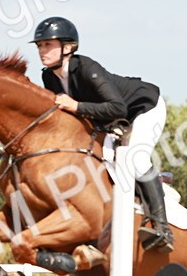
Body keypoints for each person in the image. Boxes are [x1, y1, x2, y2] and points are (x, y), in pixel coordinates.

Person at [31, 16, 173, 252]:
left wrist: (76, 106)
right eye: (39, 46)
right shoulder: (49, 76)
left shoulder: (87, 68)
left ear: (67, 47)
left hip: (144, 108)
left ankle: (162, 228)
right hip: (110, 119)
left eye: (47, 44)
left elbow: (118, 107)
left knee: (135, 159)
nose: (42, 51)